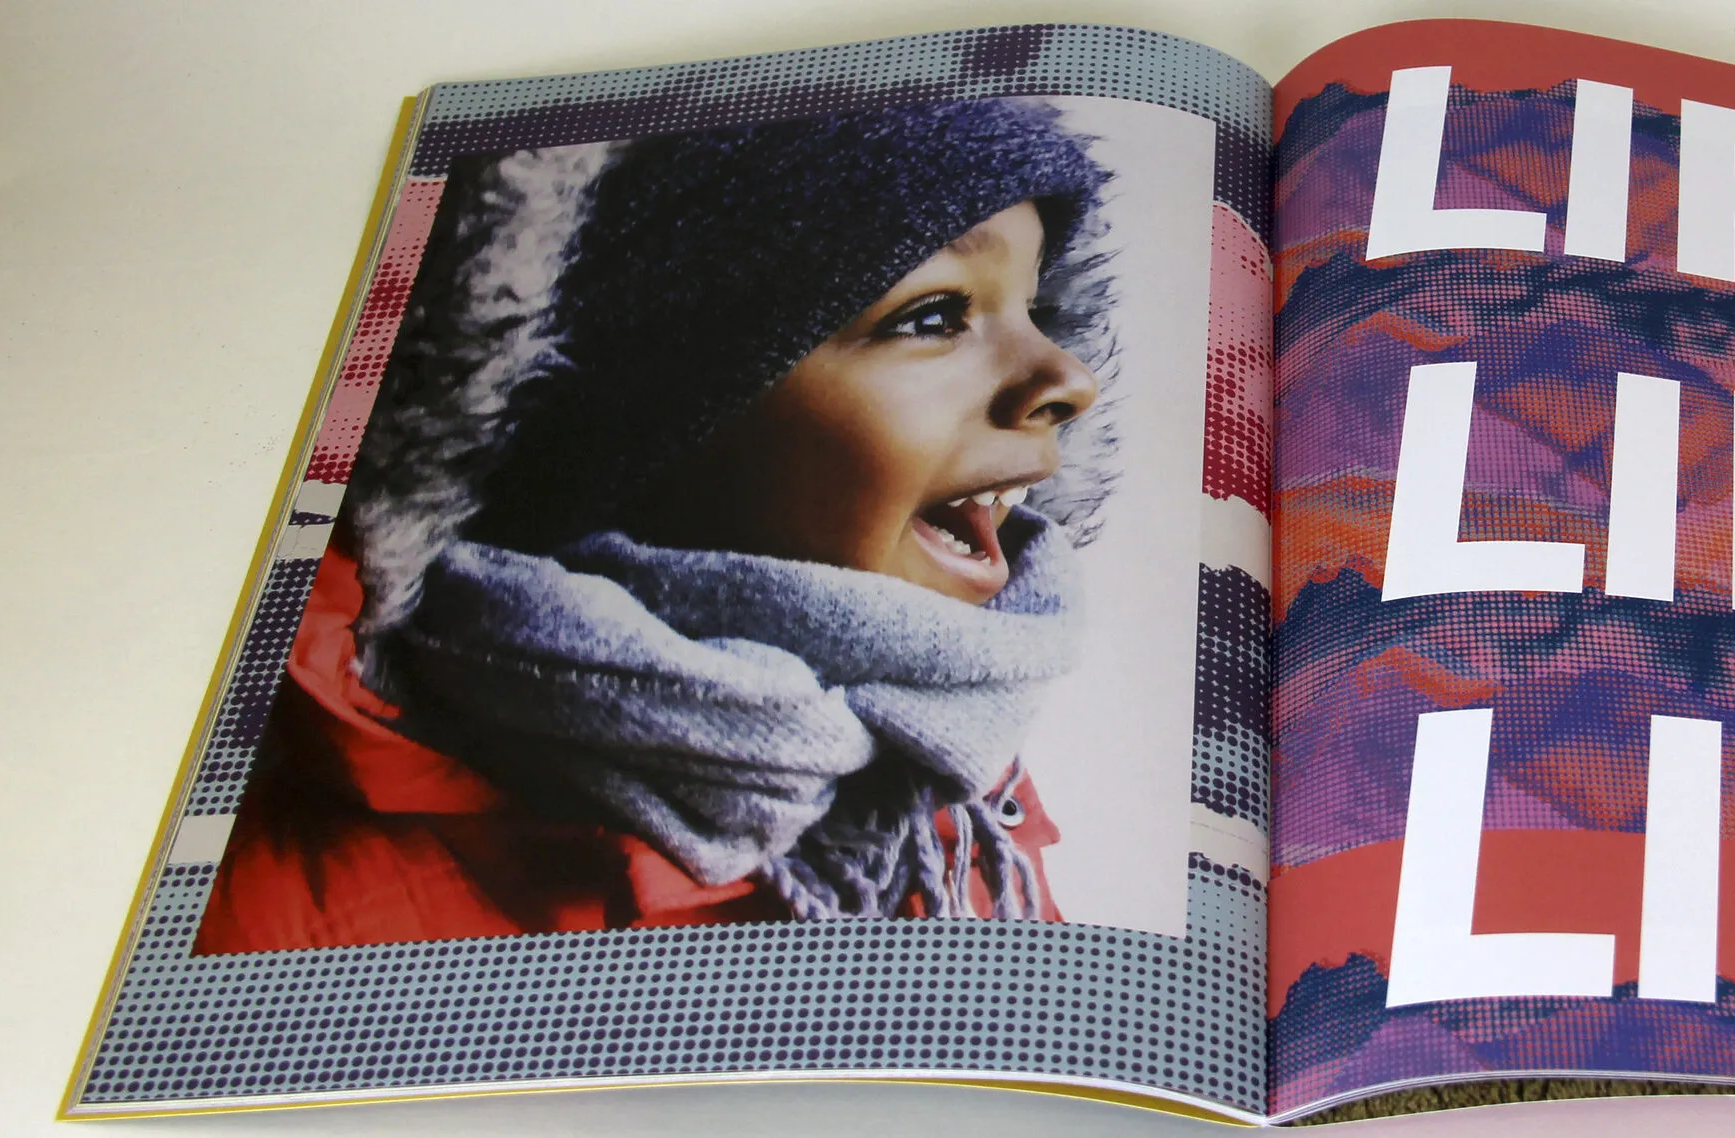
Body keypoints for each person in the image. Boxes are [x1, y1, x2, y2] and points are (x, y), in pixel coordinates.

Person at [194, 99, 1117, 953]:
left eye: (1033, 307)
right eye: (932, 315)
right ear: (654, 421)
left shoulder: (940, 777)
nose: (1070, 380)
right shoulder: (292, 912)